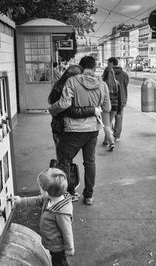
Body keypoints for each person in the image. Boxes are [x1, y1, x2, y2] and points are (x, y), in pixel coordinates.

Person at [49, 56, 111, 205]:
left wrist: (52, 109)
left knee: (64, 160)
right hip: (93, 130)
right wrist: (107, 129)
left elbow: (64, 103)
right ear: (94, 68)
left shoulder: (72, 81)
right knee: (90, 162)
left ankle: (63, 196)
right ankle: (89, 195)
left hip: (74, 130)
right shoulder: (102, 84)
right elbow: (107, 108)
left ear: (81, 67)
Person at [10, 168, 74, 266]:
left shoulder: (61, 213)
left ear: (46, 192)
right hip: (52, 243)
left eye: (40, 187)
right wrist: (21, 200)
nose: (39, 189)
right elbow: (37, 200)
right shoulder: (49, 198)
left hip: (58, 248)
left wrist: (69, 248)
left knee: (59, 263)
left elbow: (67, 231)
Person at [48, 65, 100, 158]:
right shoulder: (71, 88)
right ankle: (65, 171)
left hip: (57, 125)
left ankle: (64, 171)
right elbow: (70, 110)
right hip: (65, 127)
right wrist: (93, 110)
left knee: (62, 156)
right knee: (66, 158)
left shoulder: (58, 86)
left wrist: (52, 110)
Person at [107, 57, 129, 142]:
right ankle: (117, 136)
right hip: (122, 99)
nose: (107, 65)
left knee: (108, 118)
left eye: (108, 63)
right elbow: (126, 84)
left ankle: (110, 133)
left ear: (112, 63)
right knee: (119, 118)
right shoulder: (124, 74)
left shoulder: (108, 73)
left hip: (109, 99)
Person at [101, 66, 122, 151]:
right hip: (115, 106)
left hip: (105, 106)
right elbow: (120, 97)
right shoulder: (117, 83)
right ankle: (106, 141)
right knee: (108, 123)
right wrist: (119, 109)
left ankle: (110, 141)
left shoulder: (103, 83)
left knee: (106, 124)